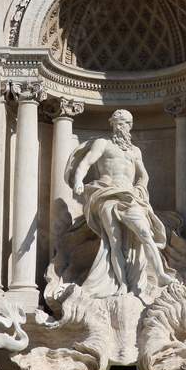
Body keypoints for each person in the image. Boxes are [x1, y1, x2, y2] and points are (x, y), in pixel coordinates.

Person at [66, 109, 175, 298]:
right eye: (118, 122)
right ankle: (122, 284)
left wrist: (140, 189)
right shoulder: (103, 144)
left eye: (125, 123)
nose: (121, 126)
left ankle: (161, 274)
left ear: (131, 125)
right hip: (107, 194)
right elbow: (85, 163)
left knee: (144, 233)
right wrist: (78, 181)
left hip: (130, 196)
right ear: (112, 124)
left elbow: (143, 174)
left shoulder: (134, 151)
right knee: (114, 241)